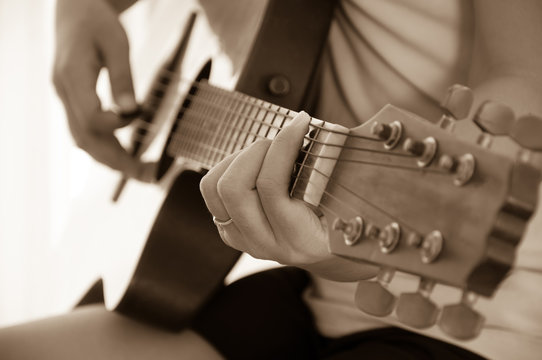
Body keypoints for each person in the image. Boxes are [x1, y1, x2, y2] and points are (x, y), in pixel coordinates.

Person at [1, 0, 542, 359]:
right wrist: (77, 10)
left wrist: (347, 251)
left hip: (469, 314)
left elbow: (521, 75)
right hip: (299, 286)